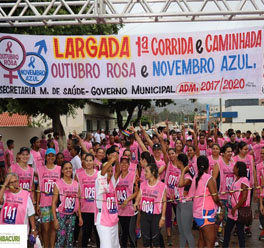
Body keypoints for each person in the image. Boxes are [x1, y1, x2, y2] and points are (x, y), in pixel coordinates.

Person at [189, 155, 222, 248]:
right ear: (208, 166)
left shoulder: (196, 176)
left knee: (202, 239)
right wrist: (221, 205)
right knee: (210, 242)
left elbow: (191, 194)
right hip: (206, 214)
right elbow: (215, 198)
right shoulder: (208, 178)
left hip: (198, 213)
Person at [134, 163, 167, 248]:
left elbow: (164, 202)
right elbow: (139, 197)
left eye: (146, 171)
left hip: (156, 217)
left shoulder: (162, 186)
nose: (144, 173)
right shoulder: (143, 184)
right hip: (144, 215)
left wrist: (162, 218)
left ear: (153, 172)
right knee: (146, 240)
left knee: (156, 241)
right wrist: (136, 203)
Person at [52, 161, 83, 248]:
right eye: (66, 168)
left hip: (72, 215)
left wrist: (80, 216)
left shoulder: (76, 184)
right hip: (61, 215)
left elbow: (78, 201)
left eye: (70, 168)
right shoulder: (58, 184)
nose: (68, 170)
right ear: (62, 170)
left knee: (70, 239)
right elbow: (54, 203)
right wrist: (55, 219)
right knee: (60, 239)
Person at [94, 149, 121, 248]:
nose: (109, 173)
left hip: (113, 219)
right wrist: (111, 161)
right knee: (107, 246)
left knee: (114, 245)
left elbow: (117, 171)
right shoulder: (99, 181)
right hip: (103, 220)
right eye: (107, 170)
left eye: (110, 171)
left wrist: (116, 160)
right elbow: (102, 173)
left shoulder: (112, 182)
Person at [0, 172, 37, 239]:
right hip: (5, 230)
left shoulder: (26, 195)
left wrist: (33, 229)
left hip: (20, 231)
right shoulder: (5, 194)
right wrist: (5, 183)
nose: (14, 184)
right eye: (11, 182)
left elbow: (31, 214)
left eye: (16, 181)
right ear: (8, 184)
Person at [36, 148, 61, 248]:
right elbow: (39, 187)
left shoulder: (59, 169)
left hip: (56, 204)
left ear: (55, 157)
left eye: (53, 155)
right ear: (45, 157)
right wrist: (37, 204)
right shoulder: (40, 170)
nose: (51, 157)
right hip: (44, 203)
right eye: (49, 155)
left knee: (54, 228)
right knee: (45, 229)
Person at [223, 161, 250, 247]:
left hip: (238, 211)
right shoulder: (235, 178)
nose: (233, 168)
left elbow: (244, 197)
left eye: (235, 167)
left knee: (240, 233)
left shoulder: (244, 180)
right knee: (227, 231)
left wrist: (235, 208)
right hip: (232, 211)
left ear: (238, 168)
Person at [76, 153, 100, 248]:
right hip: (85, 209)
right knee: (85, 233)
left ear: (93, 162)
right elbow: (77, 194)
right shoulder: (79, 175)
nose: (89, 162)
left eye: (91, 160)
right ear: (84, 162)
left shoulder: (98, 174)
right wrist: (79, 210)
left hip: (96, 209)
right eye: (87, 160)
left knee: (98, 233)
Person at [117, 156, 138, 248]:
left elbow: (137, 192)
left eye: (126, 163)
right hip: (119, 209)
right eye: (122, 162)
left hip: (129, 209)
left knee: (130, 232)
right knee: (122, 233)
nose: (124, 164)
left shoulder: (133, 175)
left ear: (129, 164)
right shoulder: (116, 176)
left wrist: (128, 200)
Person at [176, 153, 195, 248]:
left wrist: (183, 170)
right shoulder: (182, 174)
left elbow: (180, 185)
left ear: (180, 162)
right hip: (179, 204)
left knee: (187, 232)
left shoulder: (188, 177)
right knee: (181, 231)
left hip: (187, 205)